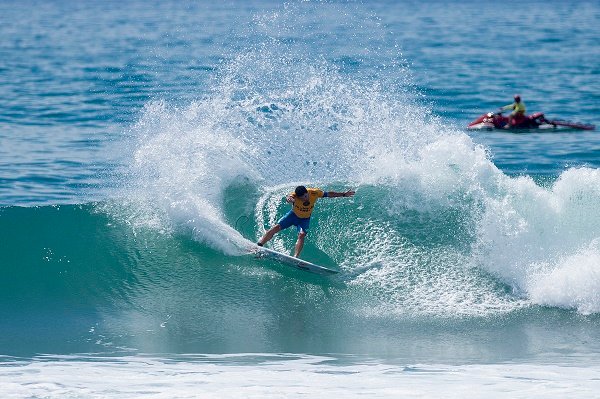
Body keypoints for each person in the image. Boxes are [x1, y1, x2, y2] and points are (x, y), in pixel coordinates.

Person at [257, 185, 355, 258]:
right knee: (276, 228)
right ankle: (260, 245)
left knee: (302, 234)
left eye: (305, 196)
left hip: (304, 219)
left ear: (307, 193)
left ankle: (295, 258)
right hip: (292, 215)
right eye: (302, 198)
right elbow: (289, 197)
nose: (305, 198)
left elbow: (329, 194)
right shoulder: (295, 196)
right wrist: (289, 199)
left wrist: (343, 194)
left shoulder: (314, 192)